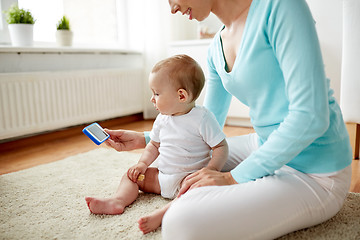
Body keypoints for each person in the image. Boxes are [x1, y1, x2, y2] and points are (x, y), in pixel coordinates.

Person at [102, 0, 353, 239]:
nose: (173, 8)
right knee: (188, 165)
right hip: (264, 144)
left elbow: (311, 116)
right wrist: (144, 139)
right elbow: (203, 123)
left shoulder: (281, 7)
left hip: (316, 172)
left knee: (180, 225)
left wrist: (233, 177)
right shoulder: (216, 48)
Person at [85, 54, 228, 234]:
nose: (152, 98)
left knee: (195, 193)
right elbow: (154, 145)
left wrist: (212, 169)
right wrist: (142, 164)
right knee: (131, 176)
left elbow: (221, 146)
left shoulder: (202, 118)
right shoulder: (162, 119)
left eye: (157, 93)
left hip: (186, 179)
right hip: (160, 178)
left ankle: (162, 215)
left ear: (181, 95)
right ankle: (118, 201)